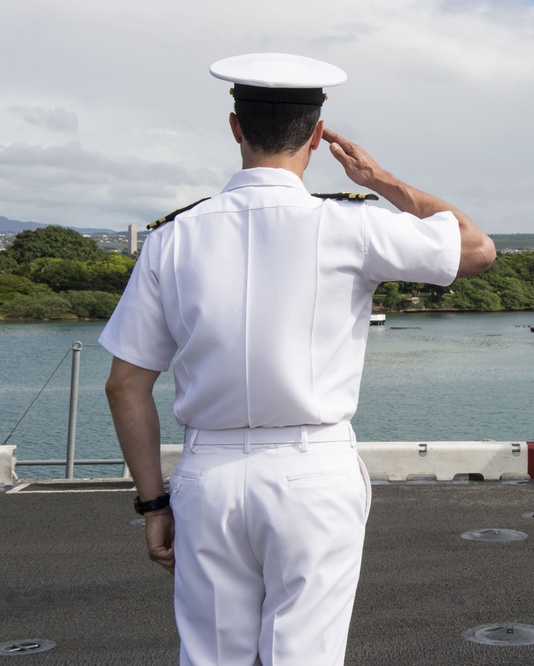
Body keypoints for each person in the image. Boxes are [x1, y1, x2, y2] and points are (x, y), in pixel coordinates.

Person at [101, 53, 495, 665]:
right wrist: (382, 182)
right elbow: (476, 249)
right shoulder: (352, 226)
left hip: (211, 475)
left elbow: (125, 385)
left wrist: (153, 503)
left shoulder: (172, 238)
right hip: (314, 470)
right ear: (317, 134)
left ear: (235, 126)